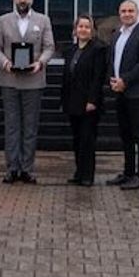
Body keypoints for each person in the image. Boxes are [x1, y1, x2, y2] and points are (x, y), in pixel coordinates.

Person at [0, 0, 54, 183]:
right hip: (9, 80)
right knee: (11, 127)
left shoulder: (43, 20)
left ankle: (27, 169)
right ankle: (12, 168)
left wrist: (41, 62)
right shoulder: (4, 20)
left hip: (34, 81)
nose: (22, 0)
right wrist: (5, 63)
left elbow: (49, 47)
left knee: (30, 127)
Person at [107, 0, 139, 190]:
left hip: (137, 93)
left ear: (137, 13)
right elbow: (112, 61)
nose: (127, 14)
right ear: (119, 14)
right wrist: (113, 80)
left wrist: (124, 81)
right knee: (125, 135)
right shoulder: (116, 35)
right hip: (119, 92)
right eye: (123, 11)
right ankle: (128, 173)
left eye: (130, 11)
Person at [60, 15, 109, 186]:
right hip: (73, 102)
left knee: (87, 140)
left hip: (89, 103)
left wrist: (92, 100)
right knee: (77, 139)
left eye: (87, 27)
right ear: (75, 30)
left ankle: (88, 175)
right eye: (80, 26)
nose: (83, 30)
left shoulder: (98, 49)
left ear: (92, 30)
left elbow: (98, 78)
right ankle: (79, 173)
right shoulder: (71, 50)